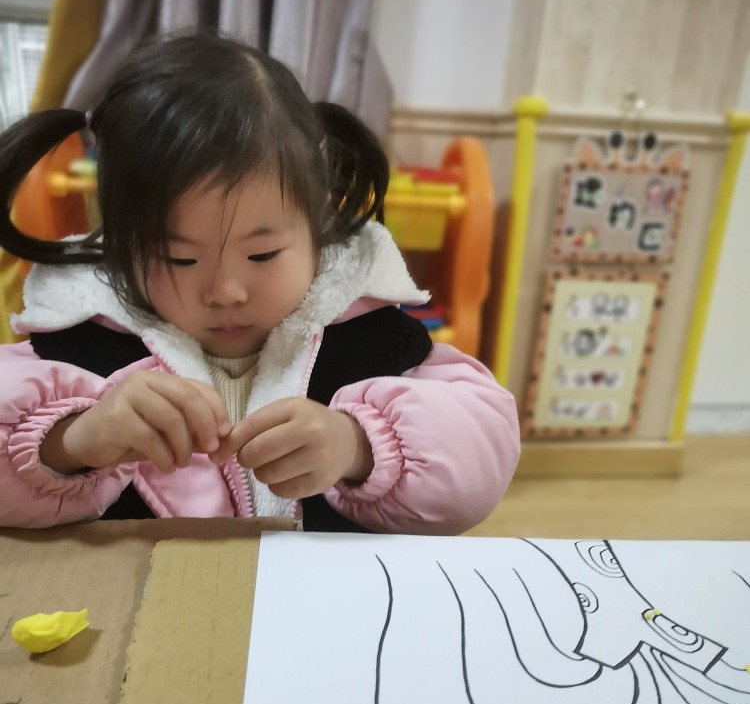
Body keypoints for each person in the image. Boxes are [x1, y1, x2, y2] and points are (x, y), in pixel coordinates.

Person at [0, 31, 519, 534]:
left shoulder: (374, 337)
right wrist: (74, 440)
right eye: (179, 259)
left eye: (262, 254)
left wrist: (359, 445)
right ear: (121, 245)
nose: (226, 292)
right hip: (145, 591)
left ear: (318, 225)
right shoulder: (76, 345)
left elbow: (482, 454)